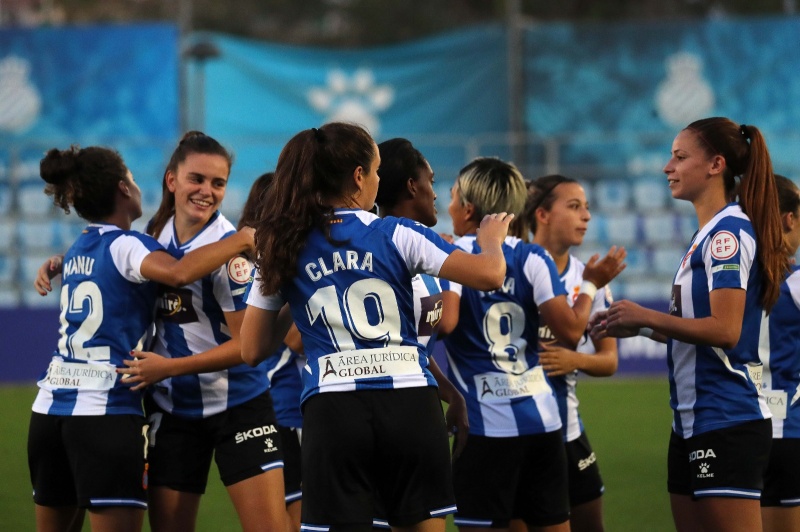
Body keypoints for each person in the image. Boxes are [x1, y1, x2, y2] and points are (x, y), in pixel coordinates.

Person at [239, 122, 515, 532]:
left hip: (333, 410)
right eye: (375, 171)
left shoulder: (284, 242)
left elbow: (252, 349)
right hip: (410, 404)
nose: (378, 181)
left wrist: (299, 295)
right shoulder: (399, 232)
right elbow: (490, 274)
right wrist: (491, 239)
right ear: (358, 176)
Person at [28, 145, 254, 532]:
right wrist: (241, 239)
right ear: (123, 189)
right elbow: (179, 272)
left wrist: (57, 263)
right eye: (132, 179)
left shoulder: (81, 245)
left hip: (49, 409)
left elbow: (110, 269)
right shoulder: (133, 244)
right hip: (105, 409)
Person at [599, 118, 787, 532]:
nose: (667, 167)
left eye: (680, 157)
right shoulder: (707, 234)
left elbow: (725, 331)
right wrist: (637, 326)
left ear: (716, 165)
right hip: (688, 422)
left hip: (726, 419)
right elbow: (695, 329)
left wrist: (647, 315)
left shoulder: (728, 235)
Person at [441, 157, 626, 532]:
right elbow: (571, 331)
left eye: (454, 198)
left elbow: (445, 324)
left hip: (482, 427)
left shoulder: (452, 255)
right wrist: (590, 286)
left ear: (468, 208)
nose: (449, 207)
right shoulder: (533, 257)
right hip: (542, 423)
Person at [118, 132, 288, 532]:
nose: (206, 191)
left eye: (218, 183)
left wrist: (169, 368)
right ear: (171, 180)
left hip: (239, 405)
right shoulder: (154, 235)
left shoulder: (232, 255)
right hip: (172, 410)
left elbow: (246, 347)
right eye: (196, 179)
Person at [528, 174, 618, 532]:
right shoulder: (508, 268)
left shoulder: (588, 278)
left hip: (568, 431)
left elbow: (609, 360)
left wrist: (575, 360)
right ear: (542, 214)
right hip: (518, 434)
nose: (586, 216)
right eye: (575, 206)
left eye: (587, 208)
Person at [374, 137, 469, 456]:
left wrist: (451, 394)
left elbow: (411, 349)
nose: (436, 192)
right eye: (431, 180)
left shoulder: (423, 253)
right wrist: (492, 241)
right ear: (412, 186)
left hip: (418, 404)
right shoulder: (379, 250)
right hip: (383, 409)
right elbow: (490, 275)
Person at [759, 175, 800, 532]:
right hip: (788, 431)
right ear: (789, 219)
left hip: (738, 429)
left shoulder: (732, 280)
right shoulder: (796, 281)